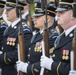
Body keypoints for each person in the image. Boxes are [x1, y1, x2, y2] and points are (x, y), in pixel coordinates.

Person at [16, 2, 58, 75]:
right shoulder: (37, 35)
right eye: (34, 17)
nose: (34, 19)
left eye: (38, 17)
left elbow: (47, 63)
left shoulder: (52, 37)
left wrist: (27, 68)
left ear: (47, 19)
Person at [40, 0, 76, 75]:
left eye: (62, 12)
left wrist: (51, 65)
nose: (57, 15)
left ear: (73, 15)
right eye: (57, 12)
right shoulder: (61, 37)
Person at [0, 0, 32, 75]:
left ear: (18, 10)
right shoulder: (9, 29)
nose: (6, 12)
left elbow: (21, 53)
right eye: (5, 10)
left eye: (8, 10)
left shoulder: (24, 30)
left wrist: (1, 57)